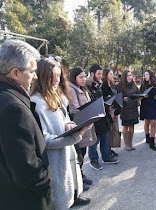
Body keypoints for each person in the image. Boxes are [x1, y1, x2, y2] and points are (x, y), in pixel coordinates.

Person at [0, 39, 54, 210]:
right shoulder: (13, 108)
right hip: (27, 201)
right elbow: (26, 169)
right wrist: (46, 184)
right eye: (32, 71)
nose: (36, 77)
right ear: (15, 73)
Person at [30, 58, 91, 209]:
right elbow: (45, 141)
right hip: (55, 161)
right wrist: (76, 136)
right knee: (60, 200)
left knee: (69, 190)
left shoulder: (55, 95)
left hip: (66, 155)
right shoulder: (36, 103)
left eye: (58, 75)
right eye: (53, 76)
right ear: (42, 76)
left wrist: (69, 124)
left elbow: (64, 120)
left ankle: (74, 197)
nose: (57, 80)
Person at [68, 66, 97, 190]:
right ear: (74, 78)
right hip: (79, 125)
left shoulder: (83, 88)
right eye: (81, 77)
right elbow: (74, 108)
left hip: (87, 124)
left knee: (83, 153)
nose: (84, 79)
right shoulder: (71, 89)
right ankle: (78, 180)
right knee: (78, 155)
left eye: (84, 76)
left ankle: (81, 175)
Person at [87, 64, 119, 170]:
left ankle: (105, 157)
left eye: (101, 73)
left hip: (104, 115)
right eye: (99, 74)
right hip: (95, 117)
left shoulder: (99, 85)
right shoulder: (88, 86)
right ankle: (94, 160)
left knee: (105, 138)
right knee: (94, 141)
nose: (101, 76)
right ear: (92, 74)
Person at [140, 70, 156, 151]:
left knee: (153, 123)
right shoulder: (143, 85)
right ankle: (147, 137)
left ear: (150, 75)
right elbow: (140, 95)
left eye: (147, 74)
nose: (145, 76)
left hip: (154, 105)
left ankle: (152, 141)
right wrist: (143, 96)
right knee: (147, 122)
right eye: (144, 75)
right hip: (146, 105)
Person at [118, 70, 140, 150]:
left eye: (130, 75)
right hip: (125, 109)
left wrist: (140, 97)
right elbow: (117, 97)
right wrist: (123, 99)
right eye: (128, 76)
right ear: (124, 77)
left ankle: (130, 143)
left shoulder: (134, 85)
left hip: (133, 108)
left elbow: (138, 93)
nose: (130, 77)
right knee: (125, 126)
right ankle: (126, 144)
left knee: (132, 125)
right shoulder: (120, 85)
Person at [101, 68, 121, 157]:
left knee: (114, 130)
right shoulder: (103, 86)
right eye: (110, 74)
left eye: (112, 74)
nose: (112, 76)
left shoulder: (112, 85)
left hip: (115, 110)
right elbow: (105, 100)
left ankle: (110, 148)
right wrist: (110, 111)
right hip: (108, 112)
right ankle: (107, 151)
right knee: (109, 131)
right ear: (105, 75)